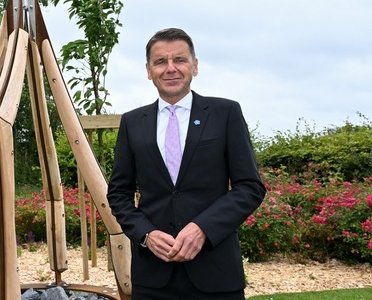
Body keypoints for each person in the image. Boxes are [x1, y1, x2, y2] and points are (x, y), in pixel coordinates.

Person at [106, 28, 266, 300]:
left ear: (195, 66)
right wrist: (146, 234)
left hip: (216, 274)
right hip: (153, 279)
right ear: (148, 70)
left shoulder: (225, 113)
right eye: (160, 61)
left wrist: (203, 228)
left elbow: (250, 187)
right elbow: (119, 193)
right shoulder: (132, 123)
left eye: (179, 60)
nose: (170, 68)